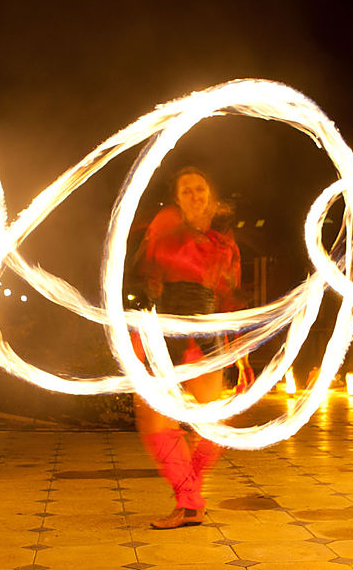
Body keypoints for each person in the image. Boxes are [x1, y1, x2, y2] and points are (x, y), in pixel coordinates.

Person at [132, 167, 241, 529]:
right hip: (168, 337)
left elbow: (228, 298)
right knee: (152, 419)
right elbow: (142, 276)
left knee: (213, 426)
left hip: (204, 341)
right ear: (177, 200)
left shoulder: (225, 245)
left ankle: (189, 497)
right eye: (186, 191)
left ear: (210, 197)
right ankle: (189, 498)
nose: (195, 196)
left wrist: (235, 349)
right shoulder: (165, 233)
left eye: (200, 189)